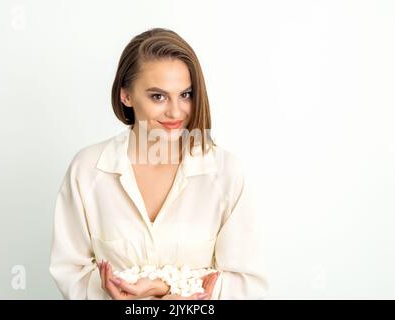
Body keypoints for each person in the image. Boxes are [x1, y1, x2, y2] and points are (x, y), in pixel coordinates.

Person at [49, 27, 268, 300]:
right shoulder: (87, 170)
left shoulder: (226, 174)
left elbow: (248, 285)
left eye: (185, 94)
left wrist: (165, 289)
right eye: (158, 96)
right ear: (125, 95)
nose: (176, 111)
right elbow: (70, 271)